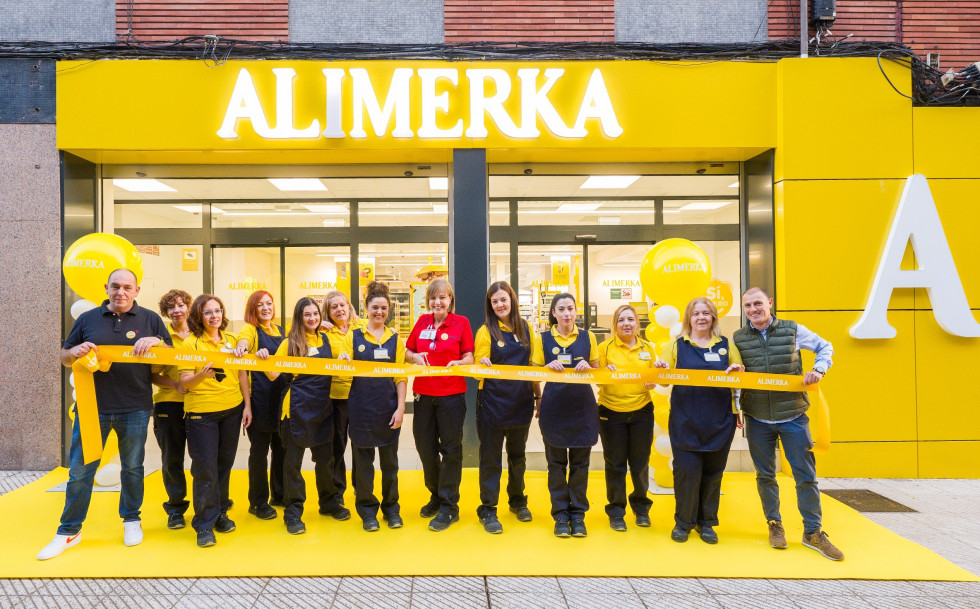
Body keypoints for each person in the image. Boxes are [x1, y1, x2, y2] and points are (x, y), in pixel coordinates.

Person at [39, 268, 173, 560]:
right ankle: (69, 531)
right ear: (106, 288)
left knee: (133, 468)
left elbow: (169, 356)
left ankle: (131, 520)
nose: (121, 292)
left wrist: (158, 343)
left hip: (135, 407)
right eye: (116, 287)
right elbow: (63, 357)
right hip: (92, 408)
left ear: (137, 290)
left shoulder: (151, 319)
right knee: (80, 471)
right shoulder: (87, 319)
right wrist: (75, 351)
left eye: (127, 287)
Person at [733, 287, 842, 560]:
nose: (753, 310)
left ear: (769, 303)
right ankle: (775, 524)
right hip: (757, 418)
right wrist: (735, 407)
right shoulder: (738, 338)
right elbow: (735, 376)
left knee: (806, 477)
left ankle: (813, 532)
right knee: (765, 476)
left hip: (794, 417)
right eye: (748, 306)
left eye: (758, 303)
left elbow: (825, 346)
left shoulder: (792, 330)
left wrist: (819, 369)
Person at [655, 297, 744, 544]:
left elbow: (739, 380)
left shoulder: (726, 346)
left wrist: (738, 375)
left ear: (713, 317)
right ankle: (683, 522)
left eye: (706, 313)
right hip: (685, 421)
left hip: (720, 421)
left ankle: (707, 523)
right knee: (686, 473)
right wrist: (661, 369)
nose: (701, 318)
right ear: (689, 319)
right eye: (696, 314)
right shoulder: (676, 345)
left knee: (713, 474)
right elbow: (662, 381)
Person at [263, 297, 349, 535]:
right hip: (296, 410)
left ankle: (329, 503)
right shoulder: (289, 343)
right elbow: (272, 375)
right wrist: (262, 359)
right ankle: (293, 513)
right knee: (292, 465)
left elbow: (339, 362)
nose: (312, 319)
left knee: (326, 460)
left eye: (315, 314)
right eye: (307, 315)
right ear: (299, 318)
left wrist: (342, 359)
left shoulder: (327, 339)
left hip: (322, 408)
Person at [179, 294, 252, 548]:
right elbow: (184, 383)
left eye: (218, 311)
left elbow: (242, 374)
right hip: (202, 414)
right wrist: (201, 375)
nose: (214, 316)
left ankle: (220, 512)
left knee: (223, 466)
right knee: (205, 470)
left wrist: (247, 406)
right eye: (208, 312)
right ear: (199, 316)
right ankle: (204, 525)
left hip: (232, 410)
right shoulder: (190, 344)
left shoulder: (232, 341)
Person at [405, 278, 475, 532]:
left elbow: (469, 355)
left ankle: (449, 506)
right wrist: (414, 356)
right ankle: (435, 494)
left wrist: (461, 363)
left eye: (442, 297)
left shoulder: (461, 323)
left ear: (450, 300)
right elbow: (408, 351)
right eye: (433, 298)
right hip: (423, 396)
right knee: (425, 448)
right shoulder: (422, 322)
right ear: (428, 301)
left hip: (451, 397)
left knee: (450, 450)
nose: (437, 302)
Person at [473, 281, 541, 534]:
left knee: (518, 456)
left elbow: (533, 367)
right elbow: (476, 373)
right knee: (490, 459)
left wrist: (539, 396)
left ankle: (518, 501)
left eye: (503, 299)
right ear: (490, 306)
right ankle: (488, 508)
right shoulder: (485, 331)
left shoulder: (527, 329)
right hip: (491, 403)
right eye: (495, 301)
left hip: (520, 402)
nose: (500, 305)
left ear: (512, 300)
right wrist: (482, 364)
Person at [532, 293, 599, 538]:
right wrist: (545, 368)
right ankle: (560, 515)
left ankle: (578, 515)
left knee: (581, 466)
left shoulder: (588, 337)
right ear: (554, 313)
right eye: (561, 309)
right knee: (556, 466)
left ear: (575, 311)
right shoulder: (544, 339)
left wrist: (589, 368)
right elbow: (533, 371)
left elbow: (598, 371)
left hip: (582, 409)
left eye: (570, 308)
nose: (567, 313)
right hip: (554, 408)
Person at [340, 281, 407, 532]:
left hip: (388, 409)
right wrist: (344, 362)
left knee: (390, 465)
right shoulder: (353, 337)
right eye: (374, 307)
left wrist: (400, 409)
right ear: (366, 308)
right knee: (364, 466)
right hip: (360, 411)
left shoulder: (395, 340)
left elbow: (400, 378)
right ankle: (368, 511)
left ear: (388, 310)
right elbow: (344, 374)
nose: (379, 312)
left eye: (383, 308)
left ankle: (392, 509)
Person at [596, 304, 657, 532]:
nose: (626, 324)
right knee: (615, 464)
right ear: (615, 324)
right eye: (621, 320)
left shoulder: (647, 348)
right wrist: (605, 374)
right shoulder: (605, 348)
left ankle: (641, 509)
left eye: (630, 319)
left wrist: (653, 381)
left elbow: (655, 377)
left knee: (640, 463)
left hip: (641, 411)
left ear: (637, 324)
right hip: (611, 412)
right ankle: (616, 511)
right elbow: (598, 380)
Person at [232, 290, 287, 521]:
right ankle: (258, 501)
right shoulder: (250, 329)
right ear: (253, 309)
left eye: (269, 303)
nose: (266, 308)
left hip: (280, 399)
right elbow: (243, 344)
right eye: (260, 305)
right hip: (260, 400)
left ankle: (279, 494)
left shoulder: (279, 331)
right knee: (259, 453)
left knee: (281, 450)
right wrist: (242, 348)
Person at [150, 289, 193, 531]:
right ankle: (176, 508)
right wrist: (175, 383)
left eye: (180, 305)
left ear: (188, 306)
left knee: (204, 459)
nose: (177, 310)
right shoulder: (161, 340)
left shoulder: (200, 334)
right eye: (171, 307)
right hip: (169, 405)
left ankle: (209, 502)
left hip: (199, 404)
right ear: (165, 313)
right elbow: (153, 375)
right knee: (172, 459)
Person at [321, 290, 363, 512]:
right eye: (333, 307)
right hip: (335, 397)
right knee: (337, 445)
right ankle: (337, 492)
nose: (339, 310)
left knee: (360, 444)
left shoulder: (361, 327)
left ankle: (361, 487)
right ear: (327, 312)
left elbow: (382, 331)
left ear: (349, 307)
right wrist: (318, 328)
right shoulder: (323, 333)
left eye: (342, 305)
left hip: (359, 394)